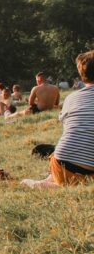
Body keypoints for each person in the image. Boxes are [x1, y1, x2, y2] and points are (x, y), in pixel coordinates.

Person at [22, 50, 94, 188]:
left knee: (61, 155)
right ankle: (56, 183)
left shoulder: (72, 98)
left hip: (64, 165)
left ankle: (49, 182)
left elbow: (70, 128)